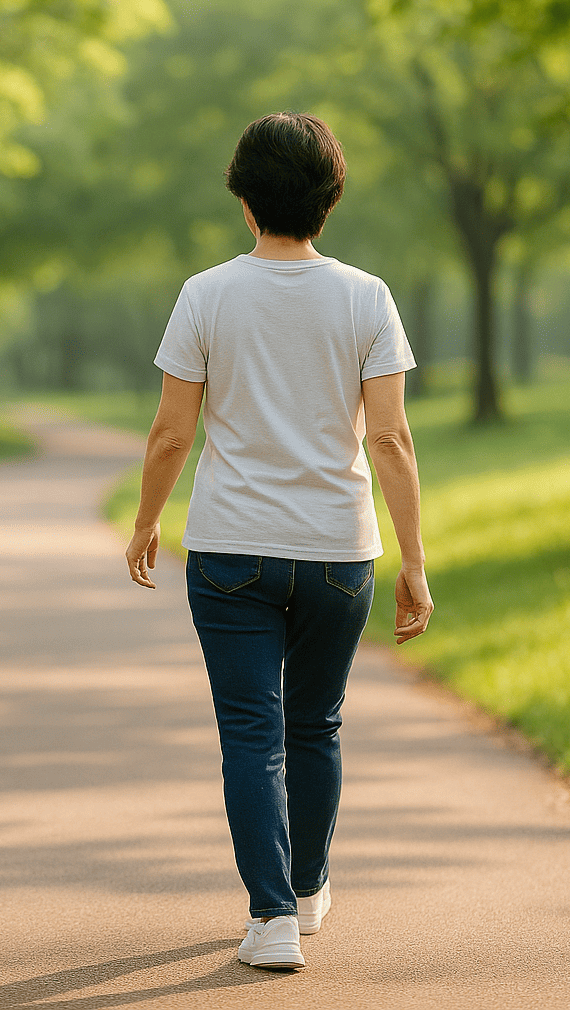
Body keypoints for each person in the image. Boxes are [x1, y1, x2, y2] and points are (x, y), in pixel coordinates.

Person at [124, 111, 433, 972]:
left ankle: (269, 920)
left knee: (249, 733)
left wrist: (148, 521)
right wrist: (413, 561)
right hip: (339, 552)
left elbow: (170, 435)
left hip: (230, 552)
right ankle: (305, 889)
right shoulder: (367, 296)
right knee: (317, 725)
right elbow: (391, 440)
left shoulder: (206, 294)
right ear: (330, 198)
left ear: (244, 198)